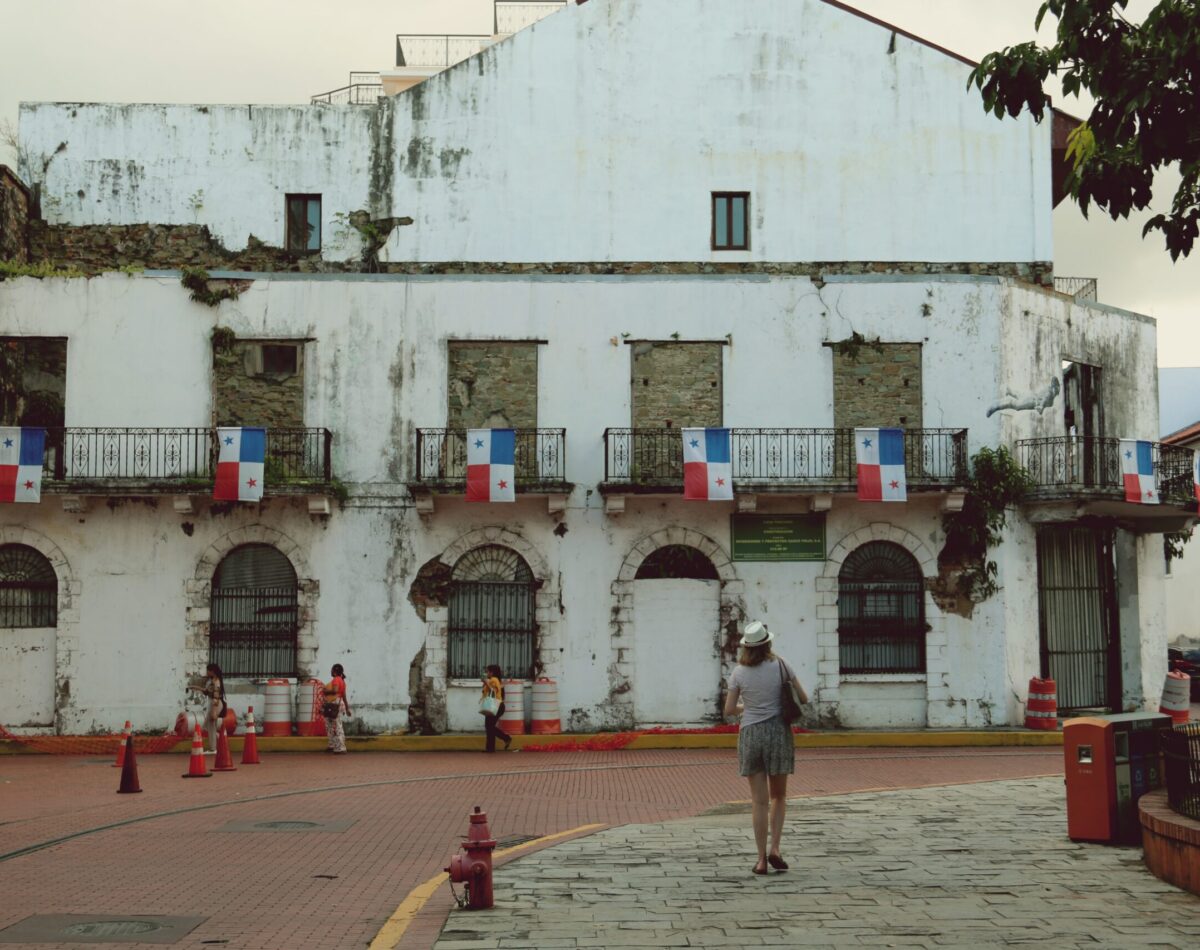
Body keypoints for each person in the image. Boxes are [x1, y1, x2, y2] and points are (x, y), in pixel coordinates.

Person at [723, 620, 808, 876]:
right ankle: (776, 849)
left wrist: (749, 707)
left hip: (750, 734)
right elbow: (803, 699)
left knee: (758, 801)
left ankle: (760, 860)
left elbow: (729, 710)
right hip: (778, 733)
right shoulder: (782, 665)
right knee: (778, 796)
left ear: (746, 647)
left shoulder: (738, 672)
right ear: (767, 643)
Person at [186, 662, 227, 754]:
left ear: (212, 671)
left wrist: (214, 710)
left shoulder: (216, 681)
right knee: (208, 726)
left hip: (215, 703)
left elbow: (216, 695)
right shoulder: (212, 681)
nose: (207, 672)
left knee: (211, 726)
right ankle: (218, 740)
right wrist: (194, 687)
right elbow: (206, 692)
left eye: (208, 670)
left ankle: (213, 748)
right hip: (214, 703)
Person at [480, 664, 512, 753]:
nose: (487, 673)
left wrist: (486, 682)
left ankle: (506, 738)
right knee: (489, 726)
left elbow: (493, 691)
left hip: (495, 705)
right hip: (495, 705)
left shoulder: (494, 680)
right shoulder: (493, 680)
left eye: (488, 671)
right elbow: (486, 691)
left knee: (489, 726)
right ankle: (490, 748)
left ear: (492, 672)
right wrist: (485, 683)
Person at [322, 663, 351, 754]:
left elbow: (334, 690)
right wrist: (347, 708)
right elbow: (344, 696)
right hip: (339, 703)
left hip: (334, 704)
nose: (330, 672)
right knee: (332, 725)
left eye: (331, 670)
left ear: (334, 672)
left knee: (334, 726)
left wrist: (325, 691)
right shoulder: (342, 681)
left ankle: (340, 747)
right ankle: (333, 745)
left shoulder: (335, 680)